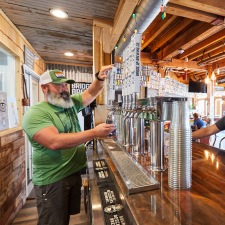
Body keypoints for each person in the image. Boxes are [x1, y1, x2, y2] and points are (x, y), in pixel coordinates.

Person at [22, 65, 115, 225]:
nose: (64, 89)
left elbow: (91, 92)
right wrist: (94, 132)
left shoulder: (68, 103)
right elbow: (54, 142)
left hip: (72, 173)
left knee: (64, 219)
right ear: (44, 87)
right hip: (52, 179)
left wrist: (100, 78)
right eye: (59, 85)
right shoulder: (35, 113)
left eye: (66, 84)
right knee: (53, 221)